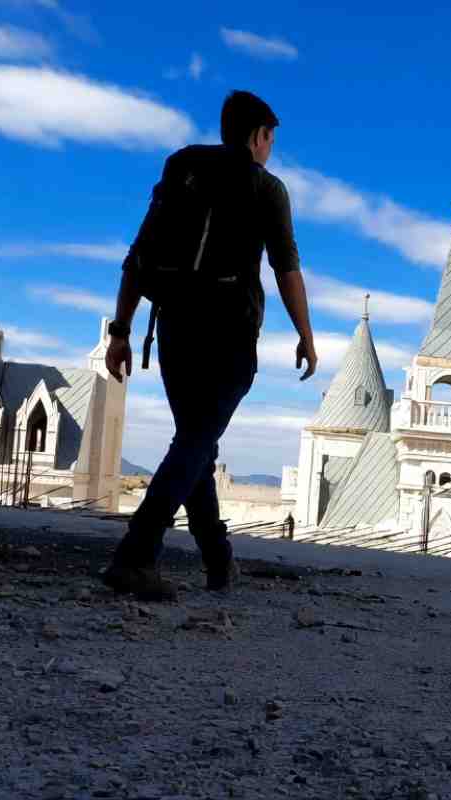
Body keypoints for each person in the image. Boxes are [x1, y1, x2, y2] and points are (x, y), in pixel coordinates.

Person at [101, 90, 317, 599]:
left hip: (173, 325)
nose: (271, 149)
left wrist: (121, 330)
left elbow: (138, 256)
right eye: (271, 139)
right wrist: (306, 335)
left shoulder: (183, 170)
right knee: (195, 442)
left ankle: (219, 562)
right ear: (260, 136)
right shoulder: (267, 189)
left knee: (196, 442)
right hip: (230, 334)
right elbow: (287, 268)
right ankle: (134, 555)